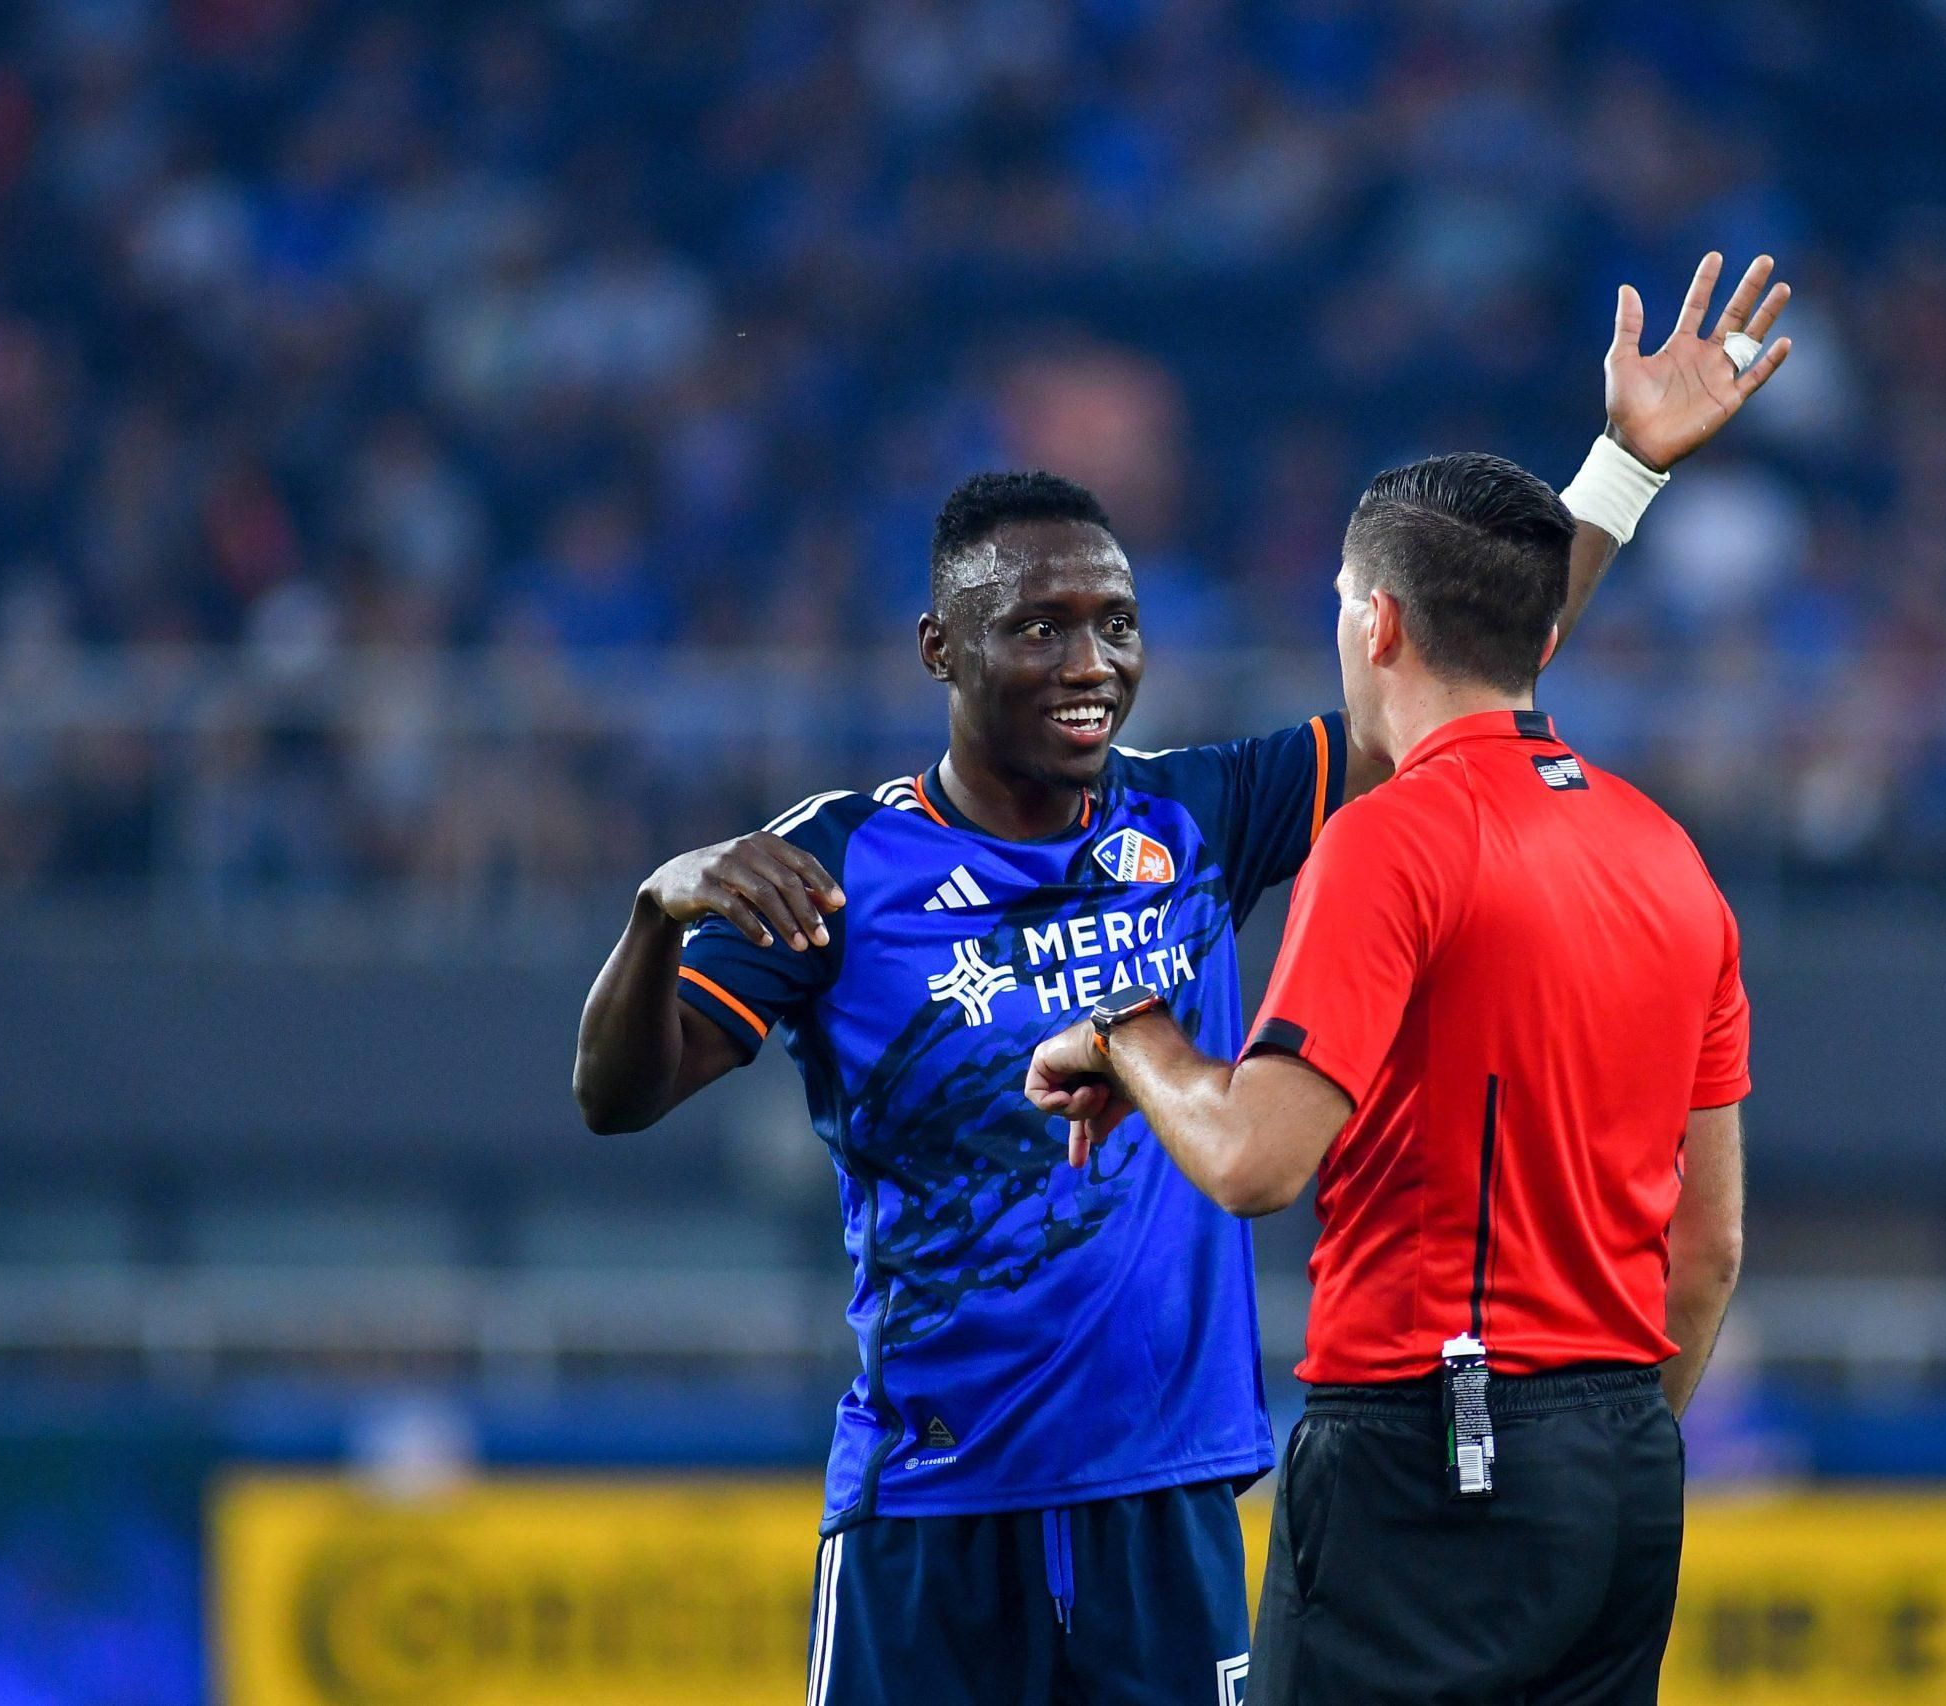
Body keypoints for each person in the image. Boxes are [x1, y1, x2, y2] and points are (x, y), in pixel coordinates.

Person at [575, 254, 1788, 1706]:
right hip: (930, 1507)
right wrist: (656, 913)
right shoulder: (837, 863)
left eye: (1115, 623)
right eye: (1037, 627)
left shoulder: (1198, 814)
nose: (1089, 661)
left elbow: (1458, 667)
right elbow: (617, 1094)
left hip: (1169, 1499)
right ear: (938, 648)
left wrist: (1620, 475)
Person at [1025, 458, 1761, 1700]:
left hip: (1425, 1446)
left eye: (1337, 602)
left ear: (1380, 622)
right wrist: (1596, 1444)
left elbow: (1253, 1158)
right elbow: (1712, 1245)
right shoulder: (1666, 852)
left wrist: (1126, 1036)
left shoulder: (1389, 838)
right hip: (1624, 1464)